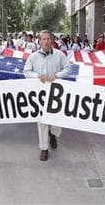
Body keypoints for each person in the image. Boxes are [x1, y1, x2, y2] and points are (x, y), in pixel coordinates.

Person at [23, 30, 71, 161]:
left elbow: (68, 69)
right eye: (43, 39)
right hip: (40, 95)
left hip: (56, 93)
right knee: (41, 121)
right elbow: (26, 71)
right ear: (39, 41)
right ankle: (44, 148)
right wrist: (36, 76)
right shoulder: (33, 57)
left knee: (56, 121)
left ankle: (53, 134)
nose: (46, 41)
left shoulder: (59, 55)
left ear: (52, 40)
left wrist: (56, 75)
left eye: (48, 39)